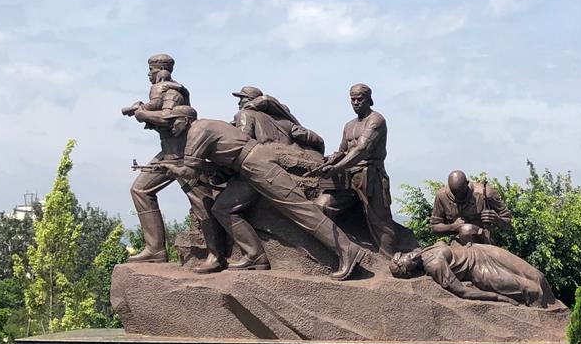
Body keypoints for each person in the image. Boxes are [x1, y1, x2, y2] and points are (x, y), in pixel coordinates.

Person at [172, 119, 365, 280]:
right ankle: (254, 256)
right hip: (245, 170)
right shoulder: (206, 125)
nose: (171, 130)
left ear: (183, 120)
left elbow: (189, 171)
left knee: (300, 210)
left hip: (257, 164)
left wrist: (170, 168)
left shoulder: (197, 130)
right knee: (223, 208)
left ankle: (347, 249)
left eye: (172, 124)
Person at [310, 83, 408, 255]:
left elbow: (362, 149)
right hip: (347, 179)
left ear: (369, 99)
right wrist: (330, 161)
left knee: (381, 223)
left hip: (370, 176)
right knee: (322, 206)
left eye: (359, 99)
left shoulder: (376, 120)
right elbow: (342, 151)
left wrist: (336, 167)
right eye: (352, 100)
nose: (355, 103)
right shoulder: (349, 125)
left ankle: (390, 262)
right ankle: (338, 254)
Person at [121, 53, 195, 263]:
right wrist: (140, 107)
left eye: (151, 71)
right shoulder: (164, 93)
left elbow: (167, 117)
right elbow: (156, 108)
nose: (148, 75)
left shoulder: (172, 92)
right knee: (140, 190)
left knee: (203, 202)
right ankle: (155, 249)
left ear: (161, 71)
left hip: (181, 155)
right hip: (169, 153)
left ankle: (157, 250)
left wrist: (143, 114)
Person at [389, 241, 561, 308]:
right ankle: (539, 317)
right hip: (479, 270)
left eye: (405, 256)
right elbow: (462, 292)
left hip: (481, 250)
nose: (411, 256)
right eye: (408, 261)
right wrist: (498, 297)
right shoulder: (434, 266)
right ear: (410, 271)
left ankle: (556, 313)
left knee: (536, 275)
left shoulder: (424, 250)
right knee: (529, 289)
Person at [230, 86, 325, 157]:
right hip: (287, 161)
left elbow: (241, 143)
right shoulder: (285, 121)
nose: (239, 103)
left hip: (262, 163)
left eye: (241, 99)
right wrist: (320, 150)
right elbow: (315, 139)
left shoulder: (245, 114)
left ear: (250, 100)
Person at [429, 170, 511, 245]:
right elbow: (435, 228)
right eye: (455, 194)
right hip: (458, 242)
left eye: (462, 192)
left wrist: (496, 219)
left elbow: (507, 223)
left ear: (467, 183)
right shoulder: (441, 196)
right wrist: (455, 227)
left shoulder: (485, 193)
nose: (459, 197)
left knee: (467, 230)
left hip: (484, 241)